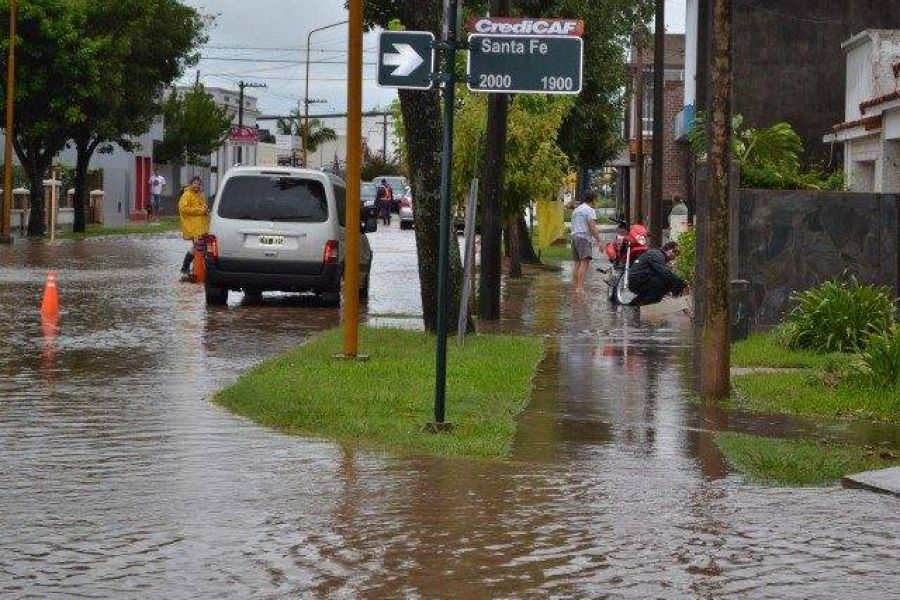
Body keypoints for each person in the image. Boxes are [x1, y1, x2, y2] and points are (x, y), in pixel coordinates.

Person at [628, 241, 687, 306]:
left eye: (677, 254)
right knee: (664, 281)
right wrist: (681, 284)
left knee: (665, 280)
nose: (675, 256)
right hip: (637, 281)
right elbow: (663, 272)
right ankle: (644, 304)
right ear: (668, 249)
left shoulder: (658, 255)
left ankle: (637, 302)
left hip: (641, 280)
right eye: (675, 252)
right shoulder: (657, 255)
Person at [570, 191, 604, 294]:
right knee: (584, 264)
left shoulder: (576, 210)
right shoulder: (589, 210)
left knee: (577, 263)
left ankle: (576, 287)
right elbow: (592, 226)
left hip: (574, 237)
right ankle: (580, 288)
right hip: (584, 238)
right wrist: (600, 241)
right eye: (595, 200)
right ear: (592, 200)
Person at [178, 176, 209, 276]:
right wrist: (200, 210)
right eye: (195, 183)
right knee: (197, 246)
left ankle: (196, 269)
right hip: (193, 226)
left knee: (202, 247)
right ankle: (185, 267)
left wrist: (205, 210)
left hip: (201, 225)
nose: (197, 185)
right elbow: (183, 208)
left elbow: (203, 207)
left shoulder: (199, 195)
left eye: (199, 184)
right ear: (190, 184)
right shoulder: (187, 195)